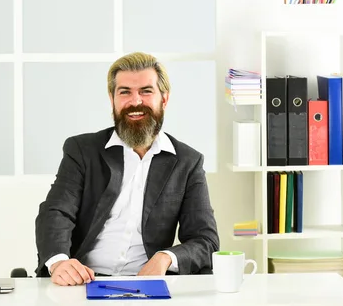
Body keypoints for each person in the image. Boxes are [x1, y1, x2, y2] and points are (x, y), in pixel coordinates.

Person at [34, 52, 219, 286]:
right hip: (82, 282)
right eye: (125, 92)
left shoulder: (187, 162)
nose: (135, 102)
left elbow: (205, 240)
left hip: (149, 284)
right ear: (112, 99)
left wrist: (166, 258)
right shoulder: (81, 150)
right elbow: (56, 212)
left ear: (164, 99)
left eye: (146, 91)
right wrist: (60, 262)